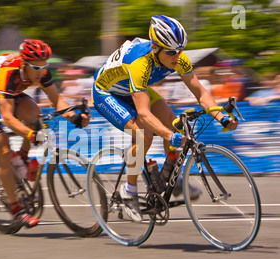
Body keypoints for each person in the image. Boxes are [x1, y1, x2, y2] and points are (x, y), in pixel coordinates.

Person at [92, 15, 238, 222]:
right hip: (107, 92)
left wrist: (222, 117)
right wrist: (170, 136)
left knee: (175, 124)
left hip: (134, 89)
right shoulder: (139, 63)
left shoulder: (178, 57)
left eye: (180, 50)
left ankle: (171, 178)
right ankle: (129, 190)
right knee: (144, 134)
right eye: (171, 52)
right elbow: (144, 113)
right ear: (154, 47)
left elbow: (200, 92)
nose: (177, 56)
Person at [0, 39, 89, 227]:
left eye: (43, 66)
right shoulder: (9, 74)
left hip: (6, 94)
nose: (41, 72)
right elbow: (7, 117)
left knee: (37, 119)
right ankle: (15, 209)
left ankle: (22, 158)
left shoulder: (41, 71)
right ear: (24, 63)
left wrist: (74, 117)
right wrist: (31, 136)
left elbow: (57, 101)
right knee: (4, 147)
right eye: (35, 67)